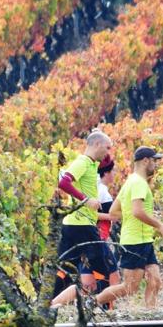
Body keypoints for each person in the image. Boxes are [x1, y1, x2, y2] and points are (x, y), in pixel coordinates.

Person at [96, 146, 163, 309]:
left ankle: (150, 316)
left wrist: (131, 217)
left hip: (144, 239)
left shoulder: (131, 181)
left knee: (155, 280)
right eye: (154, 161)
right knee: (129, 287)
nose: (155, 165)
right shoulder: (138, 183)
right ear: (145, 161)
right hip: (135, 242)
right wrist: (160, 225)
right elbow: (137, 211)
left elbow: (113, 211)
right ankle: (92, 302)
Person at [51, 130, 114, 308]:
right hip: (83, 224)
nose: (108, 152)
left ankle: (49, 304)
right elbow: (63, 182)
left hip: (71, 224)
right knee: (101, 265)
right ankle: (105, 307)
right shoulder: (83, 162)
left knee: (65, 266)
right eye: (107, 147)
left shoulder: (91, 163)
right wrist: (86, 200)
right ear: (96, 145)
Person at [96, 158, 121, 294]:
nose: (115, 174)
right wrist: (113, 217)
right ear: (106, 173)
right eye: (113, 171)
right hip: (99, 236)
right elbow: (91, 214)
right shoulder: (102, 192)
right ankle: (107, 305)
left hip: (100, 236)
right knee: (112, 274)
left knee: (99, 273)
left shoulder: (99, 188)